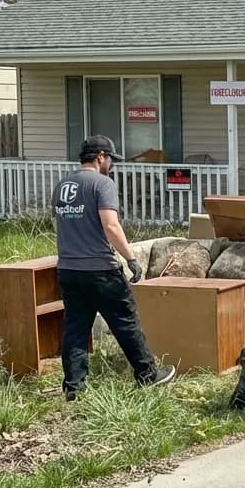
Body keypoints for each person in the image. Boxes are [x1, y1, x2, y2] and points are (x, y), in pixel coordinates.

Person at [52, 134, 175, 402]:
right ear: (100, 157)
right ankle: (147, 375)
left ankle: (73, 388)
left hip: (69, 269)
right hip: (101, 270)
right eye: (110, 159)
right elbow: (110, 225)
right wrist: (130, 259)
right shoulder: (102, 184)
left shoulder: (63, 185)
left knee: (75, 329)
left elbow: (63, 225)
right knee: (126, 322)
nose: (112, 165)